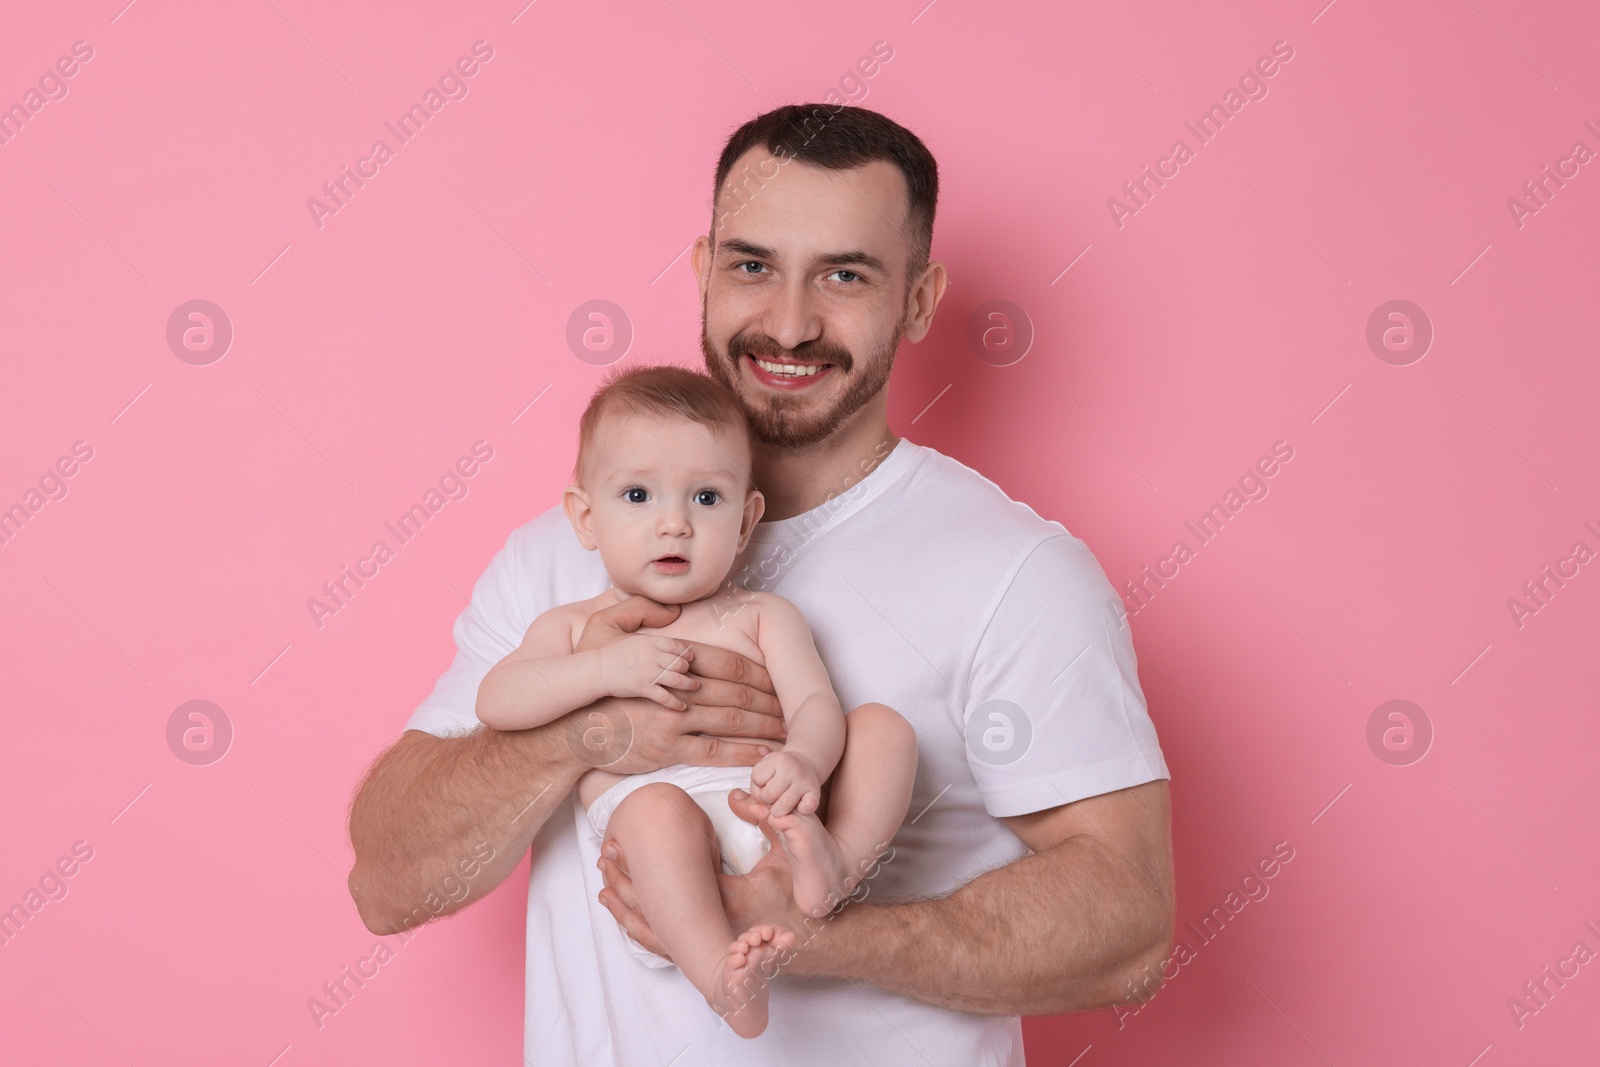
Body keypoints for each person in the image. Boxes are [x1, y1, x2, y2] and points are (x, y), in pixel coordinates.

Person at [348, 103, 1175, 1066]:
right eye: (752, 265)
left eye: (844, 274)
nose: (788, 323)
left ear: (917, 299)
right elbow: (389, 883)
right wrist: (592, 732)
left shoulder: (1016, 572)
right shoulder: (555, 556)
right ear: (702, 272)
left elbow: (1130, 927)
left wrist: (809, 940)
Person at [473, 363, 918, 1037]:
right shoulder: (571, 627)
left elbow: (815, 704)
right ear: (585, 517)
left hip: (774, 820)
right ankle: (723, 974)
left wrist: (804, 758)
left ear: (746, 521)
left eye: (706, 499)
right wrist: (601, 667)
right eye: (639, 495)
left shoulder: (762, 614)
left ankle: (833, 868)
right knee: (657, 807)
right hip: (662, 855)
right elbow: (497, 699)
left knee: (885, 729)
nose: (674, 524)